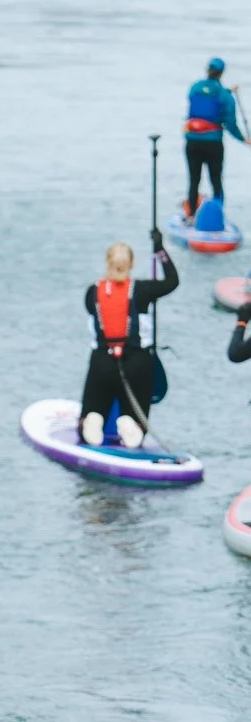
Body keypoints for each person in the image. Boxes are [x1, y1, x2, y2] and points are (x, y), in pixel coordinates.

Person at [80, 236, 178, 448]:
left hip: (102, 363)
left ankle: (92, 418)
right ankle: (131, 423)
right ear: (132, 264)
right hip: (137, 362)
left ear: (107, 263)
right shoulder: (143, 290)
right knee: (134, 410)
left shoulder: (91, 293)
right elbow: (172, 282)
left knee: (94, 405)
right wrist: (160, 250)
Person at [183, 57, 244, 219]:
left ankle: (191, 216)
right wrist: (243, 139)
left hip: (193, 141)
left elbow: (205, 98)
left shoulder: (194, 87)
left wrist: (227, 92)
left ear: (207, 69)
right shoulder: (224, 95)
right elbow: (230, 122)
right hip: (213, 144)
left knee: (194, 180)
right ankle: (218, 216)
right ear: (222, 72)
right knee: (216, 179)